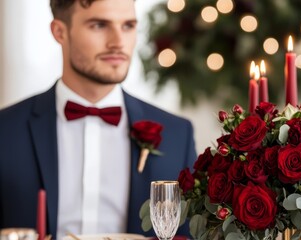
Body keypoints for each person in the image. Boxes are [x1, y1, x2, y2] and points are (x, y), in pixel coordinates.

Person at [0, 0, 196, 239]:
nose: (118, 42)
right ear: (59, 32)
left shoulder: (177, 135)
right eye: (99, 25)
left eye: (128, 26)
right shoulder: (6, 130)